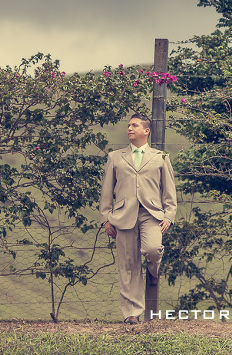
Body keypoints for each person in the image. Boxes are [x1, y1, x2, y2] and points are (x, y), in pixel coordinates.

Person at [99, 113, 177, 324]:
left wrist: (169, 215)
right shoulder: (115, 157)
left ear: (146, 131)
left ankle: (153, 267)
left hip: (152, 214)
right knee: (128, 265)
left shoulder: (161, 157)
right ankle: (132, 313)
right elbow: (107, 190)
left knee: (152, 249)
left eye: (134, 125)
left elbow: (169, 191)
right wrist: (106, 218)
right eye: (128, 125)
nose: (130, 129)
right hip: (123, 216)